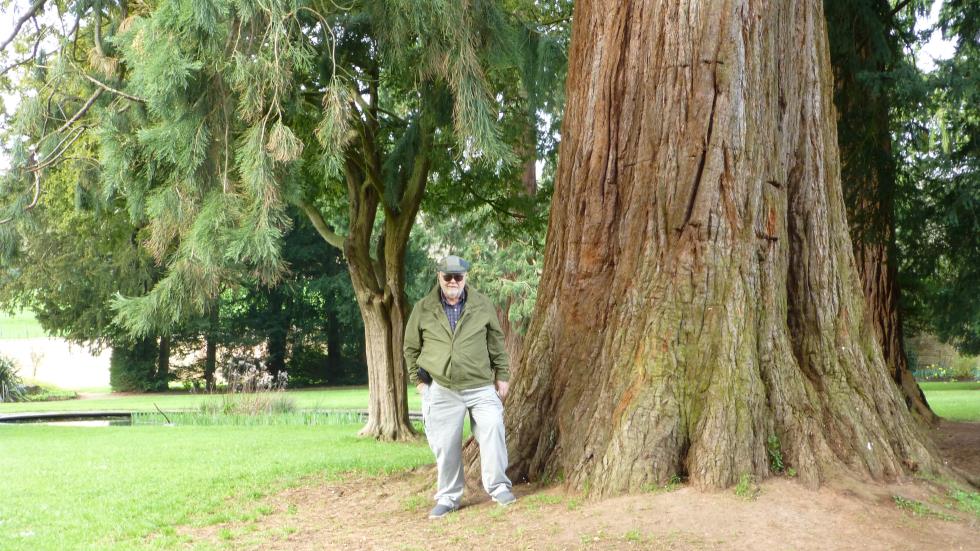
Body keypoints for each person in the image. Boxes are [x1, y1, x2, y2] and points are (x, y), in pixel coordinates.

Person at [404, 255, 516, 519]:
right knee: (446, 444)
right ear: (439, 277)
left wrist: (503, 375)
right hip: (442, 388)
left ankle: (498, 486)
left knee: (492, 427)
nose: (453, 281)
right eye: (448, 277)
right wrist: (418, 381)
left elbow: (496, 342)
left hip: (479, 386)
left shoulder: (482, 304)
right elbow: (410, 347)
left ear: (466, 277)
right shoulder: (423, 308)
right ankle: (449, 497)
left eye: (458, 277)